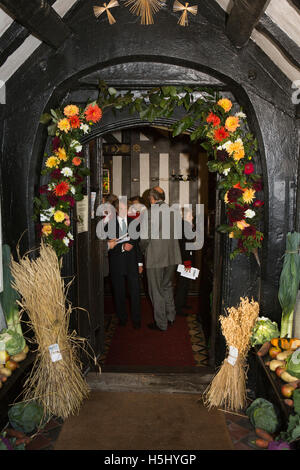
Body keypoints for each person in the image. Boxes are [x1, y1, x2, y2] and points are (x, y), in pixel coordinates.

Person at [140, 187, 182, 331]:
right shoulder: (174, 212)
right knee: (167, 286)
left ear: (152, 198)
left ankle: (161, 323)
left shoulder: (149, 213)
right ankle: (171, 316)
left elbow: (145, 238)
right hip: (172, 255)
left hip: (155, 257)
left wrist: (142, 250)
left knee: (156, 290)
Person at [106, 197, 143, 329]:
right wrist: (121, 247)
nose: (124, 210)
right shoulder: (108, 224)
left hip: (132, 262)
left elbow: (137, 244)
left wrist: (140, 263)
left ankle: (137, 320)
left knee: (135, 292)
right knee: (119, 292)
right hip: (116, 263)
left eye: (126, 208)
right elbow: (106, 247)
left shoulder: (134, 222)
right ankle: (122, 318)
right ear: (116, 210)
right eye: (121, 208)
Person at [175, 207, 196, 317]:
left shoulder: (188, 226)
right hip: (184, 259)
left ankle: (182, 303)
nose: (192, 217)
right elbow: (184, 247)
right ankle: (178, 308)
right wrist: (187, 263)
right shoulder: (184, 226)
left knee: (186, 283)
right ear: (184, 216)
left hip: (187, 258)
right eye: (190, 215)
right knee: (182, 284)